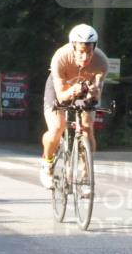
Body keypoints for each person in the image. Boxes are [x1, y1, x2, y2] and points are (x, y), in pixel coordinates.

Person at [40, 23, 109, 189]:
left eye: (89, 52)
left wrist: (93, 91)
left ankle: (85, 174)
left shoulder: (101, 62)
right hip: (61, 89)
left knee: (87, 127)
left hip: (84, 89)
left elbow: (97, 94)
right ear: (73, 48)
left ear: (95, 48)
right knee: (57, 127)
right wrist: (72, 91)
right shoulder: (60, 58)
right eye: (81, 52)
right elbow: (62, 96)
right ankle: (47, 163)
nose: (85, 57)